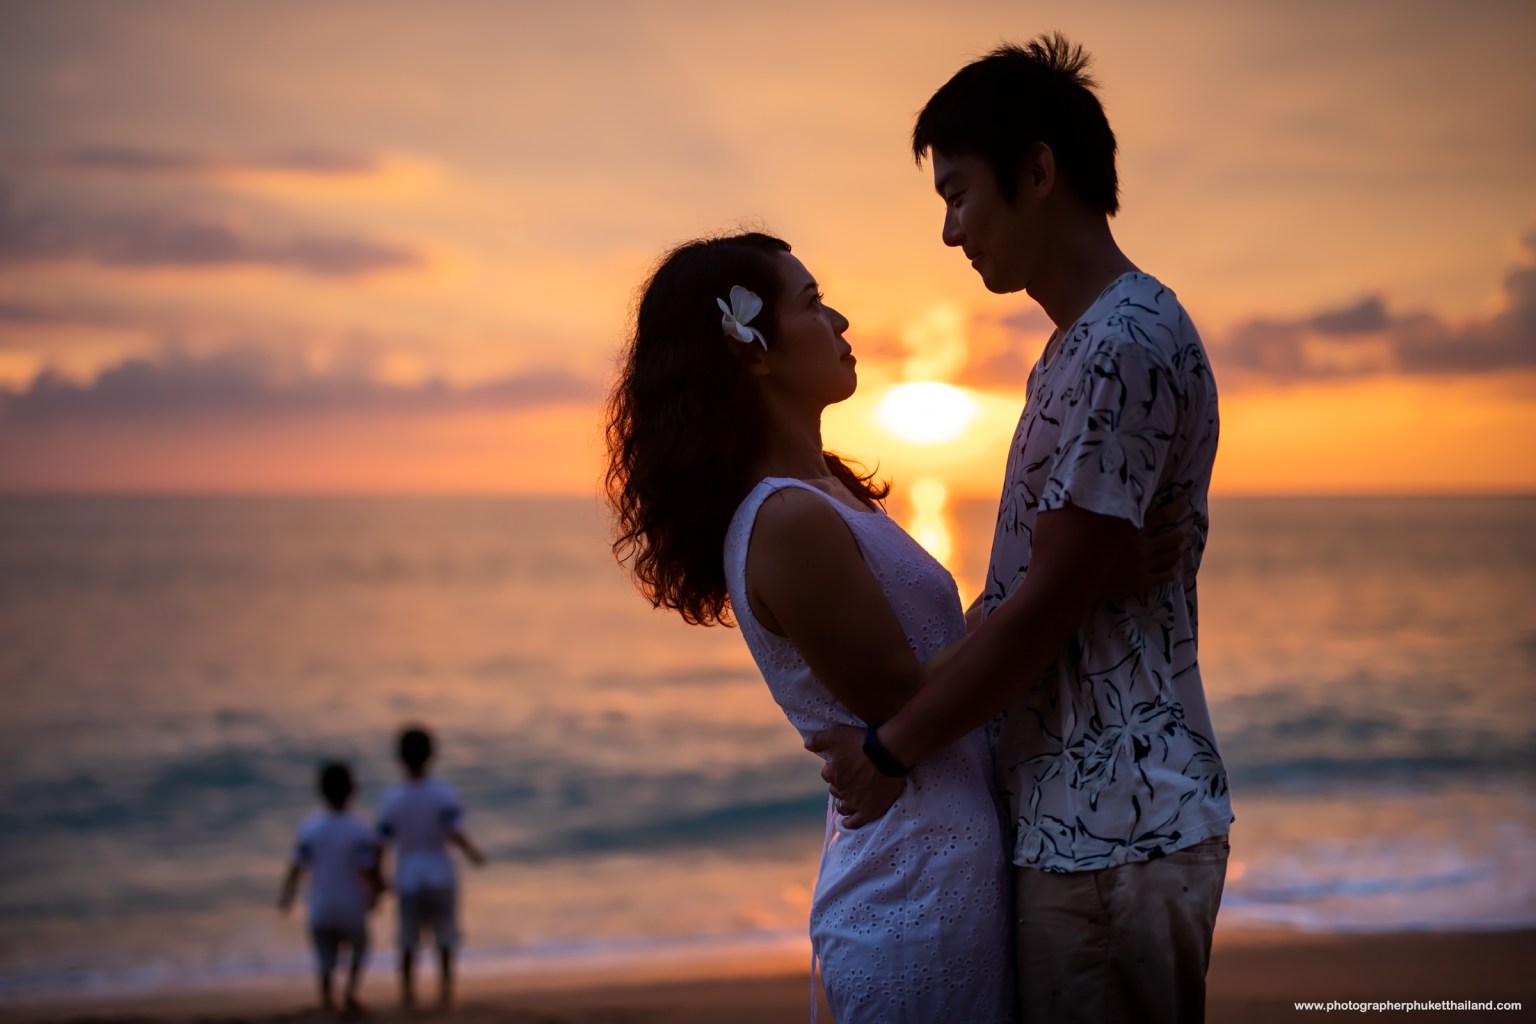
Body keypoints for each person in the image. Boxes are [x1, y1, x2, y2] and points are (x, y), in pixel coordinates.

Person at [604, 231, 1184, 1023]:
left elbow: (938, 658)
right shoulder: (784, 519)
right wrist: (1072, 585)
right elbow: (901, 697)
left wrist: (1068, 580)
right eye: (809, 303)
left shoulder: (827, 489)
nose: (839, 319)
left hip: (948, 866)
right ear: (752, 352)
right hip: (914, 894)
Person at [810, 35, 1234, 1024]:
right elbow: (1066, 582)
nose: (952, 232)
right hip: (1085, 821)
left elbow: (1046, 603)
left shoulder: (1120, 342)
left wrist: (890, 751)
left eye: (959, 195)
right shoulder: (1077, 348)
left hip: (1116, 829)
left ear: (1038, 169)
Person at [377, 724, 485, 1010]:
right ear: (433, 755)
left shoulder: (393, 797)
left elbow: (382, 841)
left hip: (408, 874)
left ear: (399, 757)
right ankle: (446, 991)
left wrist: (377, 878)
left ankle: (408, 994)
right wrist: (473, 854)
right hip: (440, 872)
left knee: (408, 938)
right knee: (445, 935)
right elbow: (455, 831)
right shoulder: (442, 793)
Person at [278, 760, 382, 1016]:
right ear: (353, 789)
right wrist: (378, 890)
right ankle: (349, 993)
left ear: (320, 791)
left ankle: (326, 997)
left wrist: (287, 896)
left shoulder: (310, 826)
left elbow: (296, 868)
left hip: (321, 906)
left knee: (325, 956)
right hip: (351, 906)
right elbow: (367, 867)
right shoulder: (361, 828)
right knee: (361, 946)